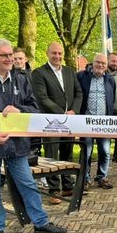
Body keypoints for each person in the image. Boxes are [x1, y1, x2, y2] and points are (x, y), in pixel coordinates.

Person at [0, 38, 67, 233]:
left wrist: (20, 110)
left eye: (10, 55)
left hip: (15, 143)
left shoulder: (21, 79)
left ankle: (40, 222)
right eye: (3, 55)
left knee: (27, 183)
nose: (9, 58)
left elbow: (33, 106)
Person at [31, 42, 83, 204]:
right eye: (54, 53)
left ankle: (68, 186)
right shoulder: (39, 73)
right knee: (52, 155)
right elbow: (42, 98)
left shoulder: (69, 71)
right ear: (47, 53)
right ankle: (54, 190)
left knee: (67, 153)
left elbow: (78, 93)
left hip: (69, 121)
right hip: (50, 122)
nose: (58, 56)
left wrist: (73, 111)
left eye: (60, 53)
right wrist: (62, 114)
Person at [77, 54, 116, 189]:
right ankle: (85, 179)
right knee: (86, 151)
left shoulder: (110, 80)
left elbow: (112, 98)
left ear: (106, 66)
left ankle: (102, 177)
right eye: (98, 62)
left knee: (105, 151)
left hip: (104, 122)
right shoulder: (82, 77)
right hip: (86, 121)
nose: (100, 65)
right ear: (93, 63)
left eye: (103, 63)